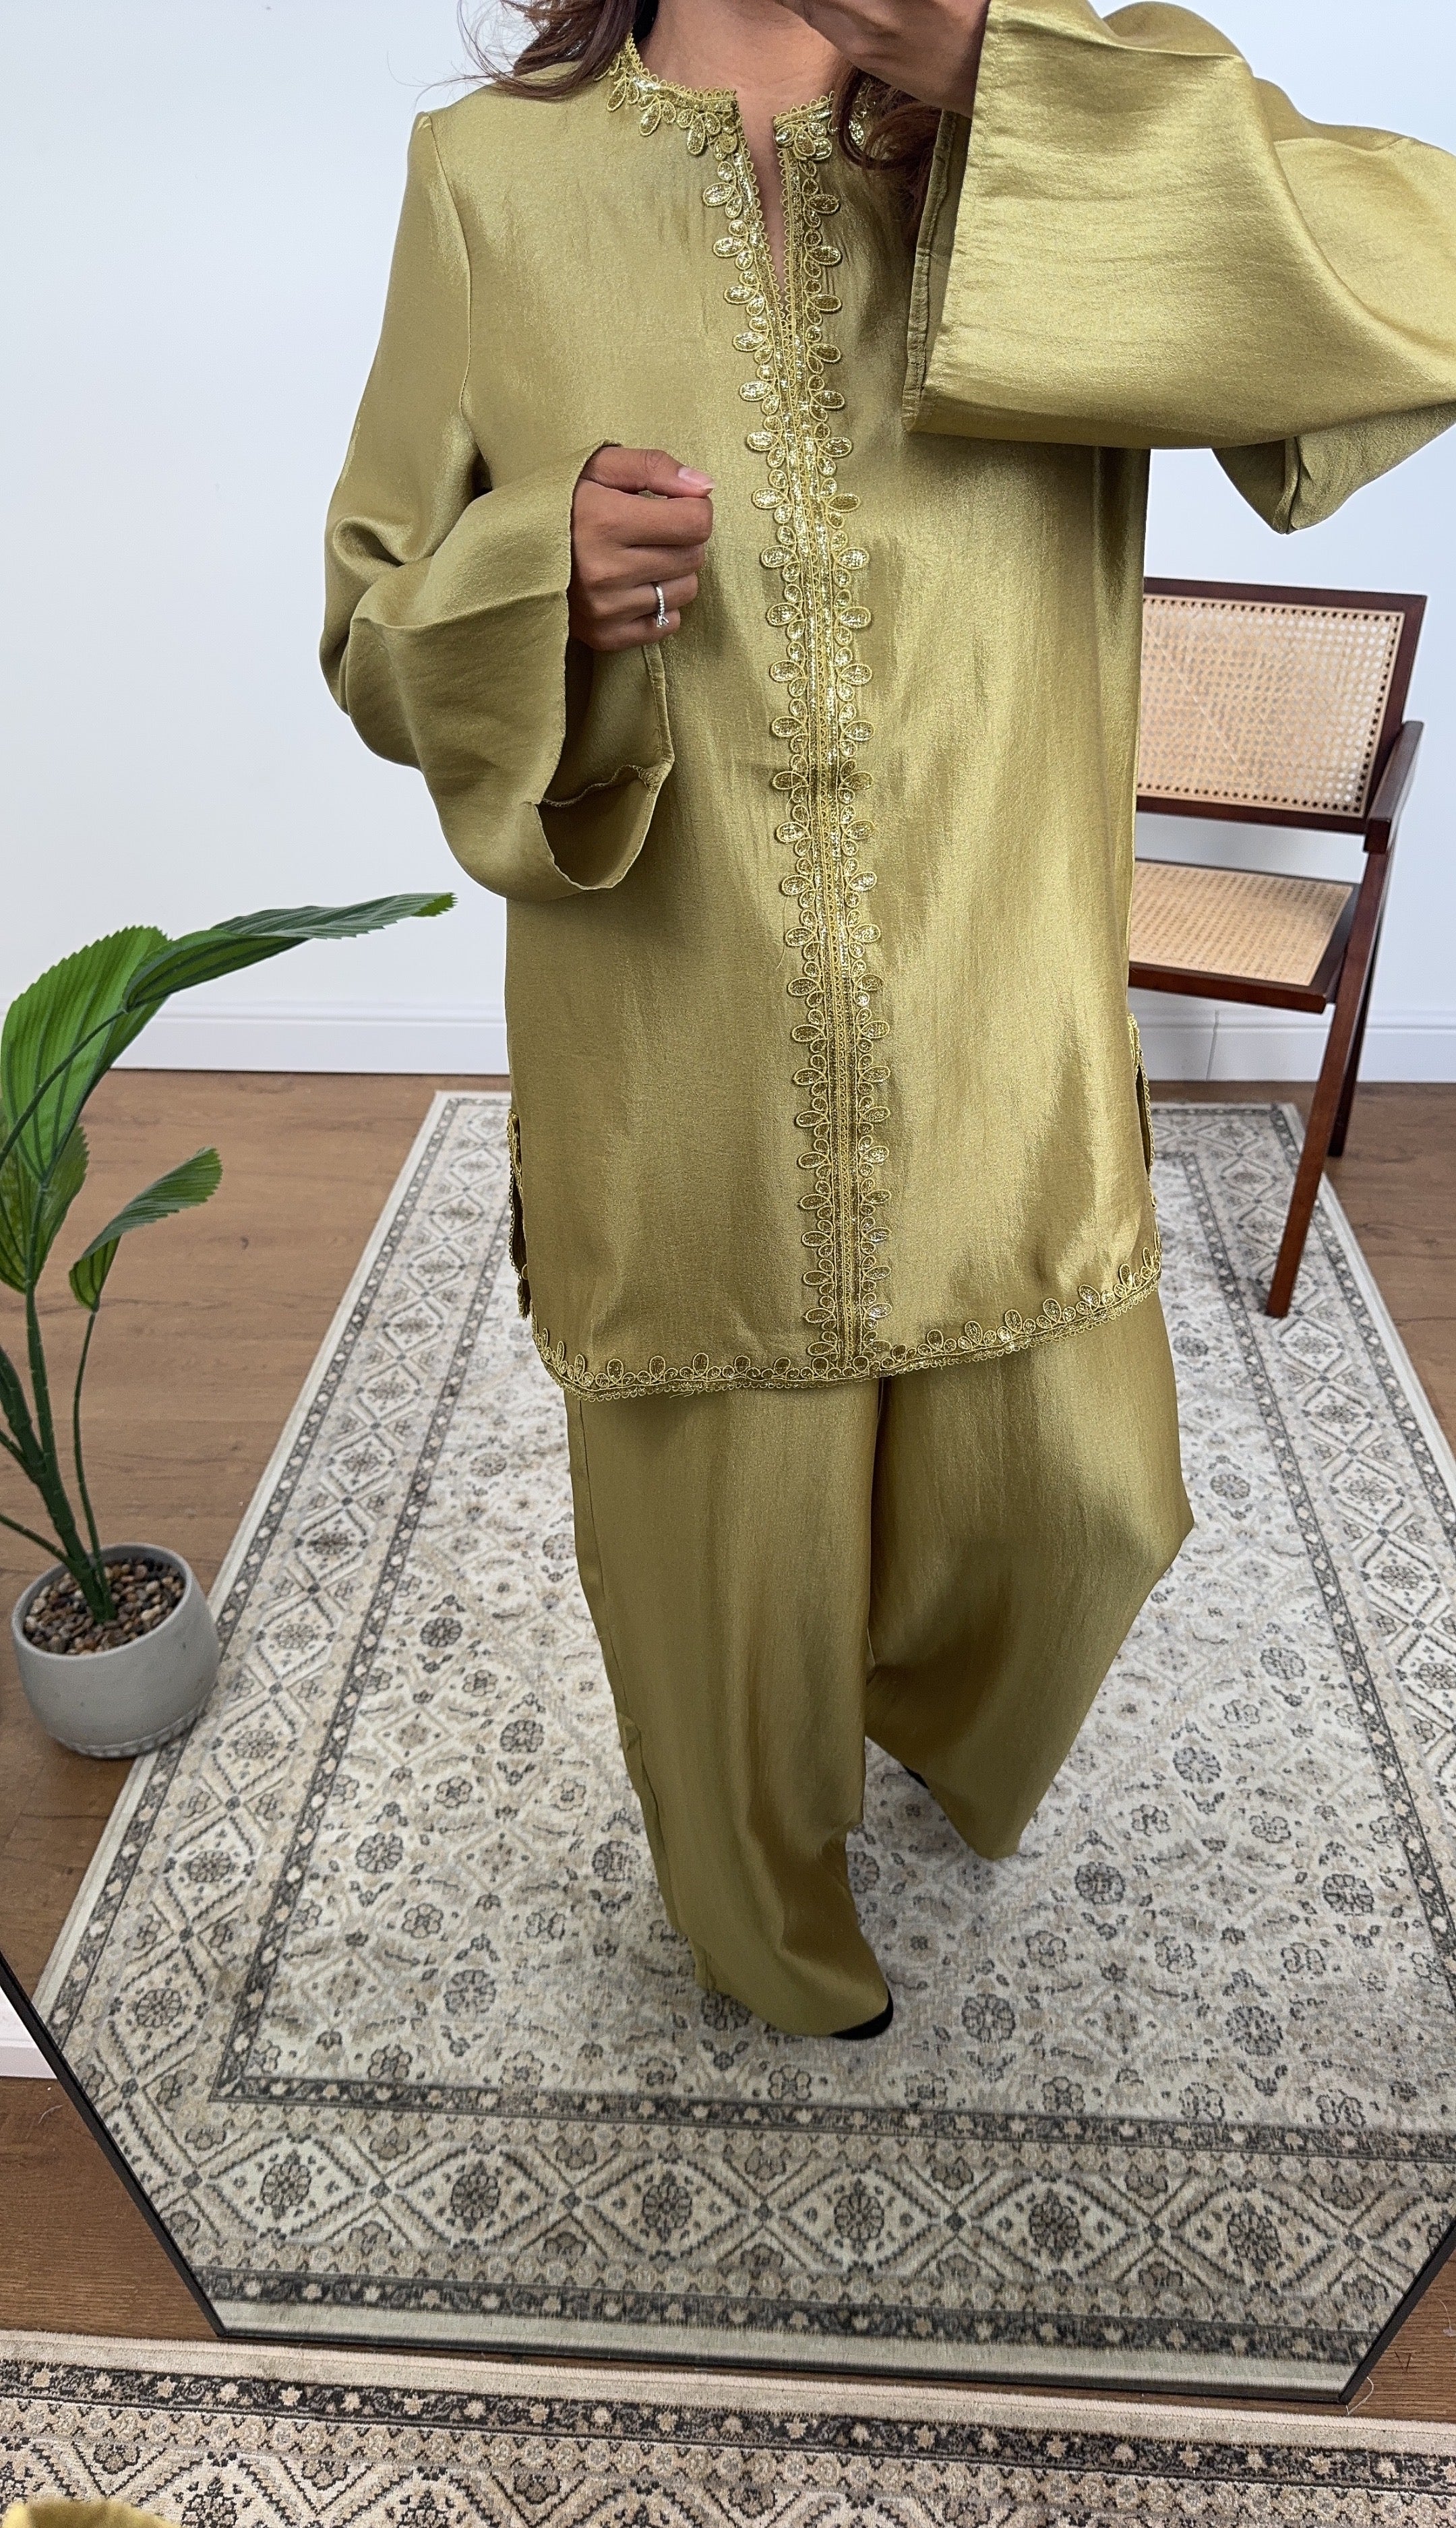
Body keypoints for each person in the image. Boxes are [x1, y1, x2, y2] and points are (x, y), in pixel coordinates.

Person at [322, 0, 1456, 2040]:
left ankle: (927, 1709)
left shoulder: (1055, 115)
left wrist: (1019, 91)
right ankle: (760, 1913)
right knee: (724, 1568)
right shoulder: (490, 175)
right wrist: (531, 578)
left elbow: (1430, 284)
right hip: (675, 1012)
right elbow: (370, 613)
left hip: (992, 982)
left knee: (1086, 1502)